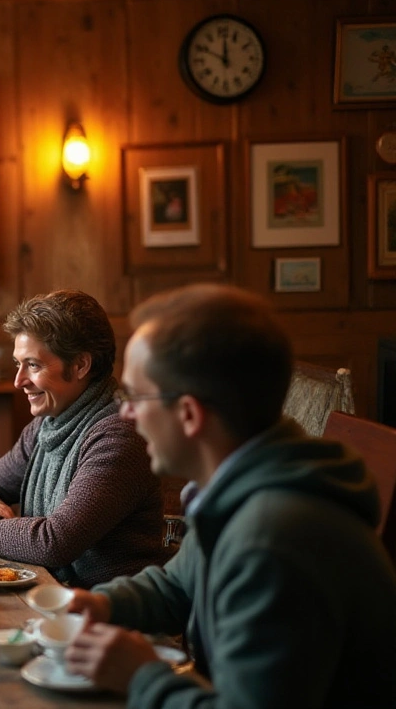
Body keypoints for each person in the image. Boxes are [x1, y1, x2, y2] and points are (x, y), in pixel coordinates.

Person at [63, 284, 396, 708]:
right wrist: (102, 604)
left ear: (189, 414)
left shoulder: (274, 539)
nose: (125, 412)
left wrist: (141, 676)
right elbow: (176, 586)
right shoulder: (240, 487)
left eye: (135, 396)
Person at [0, 289, 170, 587]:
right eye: (18, 363)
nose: (19, 380)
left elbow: (55, 542)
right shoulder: (48, 422)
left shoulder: (118, 435)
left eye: (33, 365)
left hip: (110, 616)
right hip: (54, 599)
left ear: (81, 365)